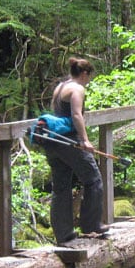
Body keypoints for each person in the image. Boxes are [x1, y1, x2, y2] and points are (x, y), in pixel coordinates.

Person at [45, 57, 108, 244]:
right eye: (89, 76)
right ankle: (91, 225)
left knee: (61, 187)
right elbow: (76, 114)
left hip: (53, 141)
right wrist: (85, 140)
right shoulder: (77, 89)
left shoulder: (60, 87)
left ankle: (63, 233)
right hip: (69, 141)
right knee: (93, 179)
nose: (89, 80)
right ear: (84, 74)